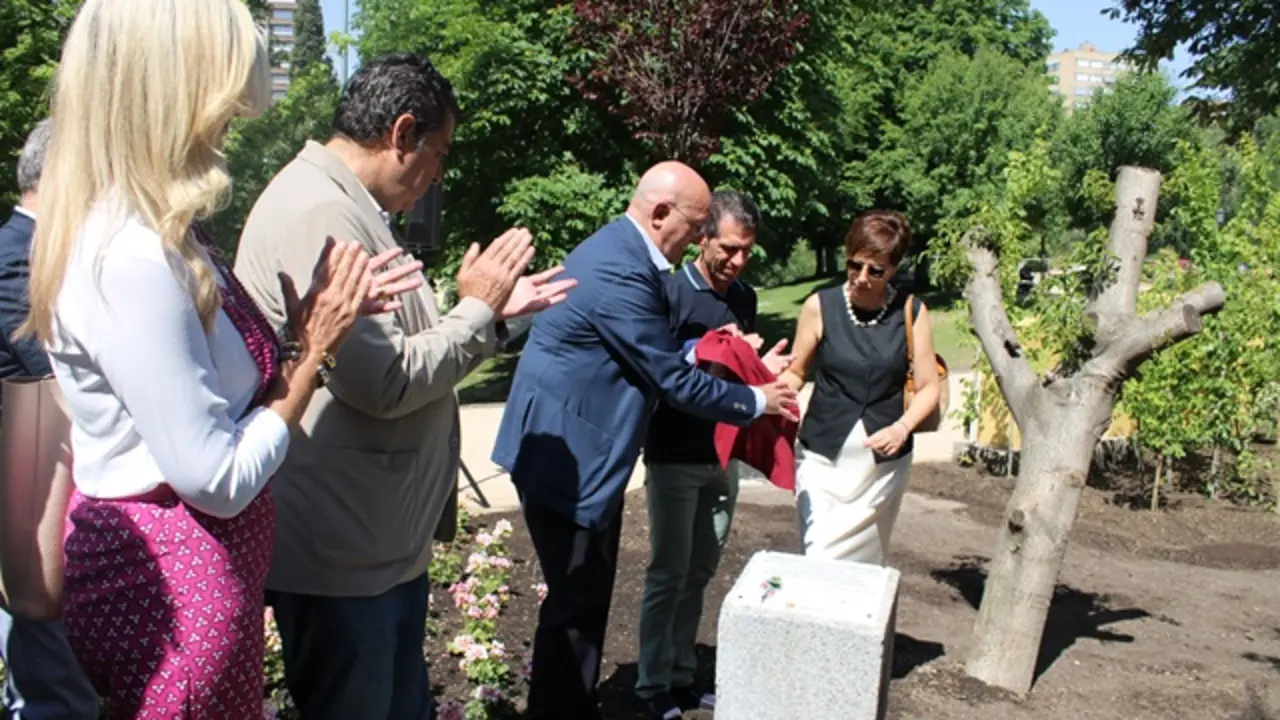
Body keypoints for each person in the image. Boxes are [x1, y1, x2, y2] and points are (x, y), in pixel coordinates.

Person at [18, 1, 419, 716]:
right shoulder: (133, 255)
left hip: (195, 585)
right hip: (178, 599)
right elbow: (218, 477)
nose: (233, 127)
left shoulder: (161, 233)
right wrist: (313, 354)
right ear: (172, 95)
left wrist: (311, 324)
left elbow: (213, 394)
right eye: (225, 107)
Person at [233, 53, 572, 720]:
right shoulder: (317, 214)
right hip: (343, 557)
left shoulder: (343, 206)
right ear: (402, 133)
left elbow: (393, 356)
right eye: (438, 151)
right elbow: (383, 382)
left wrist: (493, 319)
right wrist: (477, 311)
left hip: (370, 546)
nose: (439, 173)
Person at [491, 163, 799, 720]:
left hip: (580, 455)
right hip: (569, 459)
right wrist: (757, 400)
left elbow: (656, 355)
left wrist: (740, 363)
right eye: (697, 223)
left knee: (581, 604)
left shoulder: (627, 258)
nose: (700, 237)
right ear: (661, 214)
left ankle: (569, 706)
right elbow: (669, 378)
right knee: (574, 607)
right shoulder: (622, 270)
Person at [635, 189, 792, 719]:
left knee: (700, 570)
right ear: (702, 238)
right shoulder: (670, 291)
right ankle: (651, 685)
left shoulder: (742, 296)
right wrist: (701, 349)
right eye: (727, 248)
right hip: (674, 453)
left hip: (722, 455)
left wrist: (760, 361)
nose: (737, 261)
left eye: (746, 250)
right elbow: (656, 367)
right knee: (668, 572)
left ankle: (681, 676)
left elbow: (740, 372)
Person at [0, 120, 98, 720]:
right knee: (54, 692)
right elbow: (65, 389)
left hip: (45, 497)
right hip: (37, 506)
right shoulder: (19, 261)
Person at [779, 210, 941, 564]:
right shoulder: (820, 306)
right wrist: (770, 387)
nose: (862, 277)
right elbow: (796, 372)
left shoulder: (912, 312)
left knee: (864, 566)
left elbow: (929, 387)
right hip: (821, 457)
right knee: (818, 554)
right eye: (854, 265)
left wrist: (902, 428)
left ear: (894, 269)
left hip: (881, 470)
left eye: (876, 270)